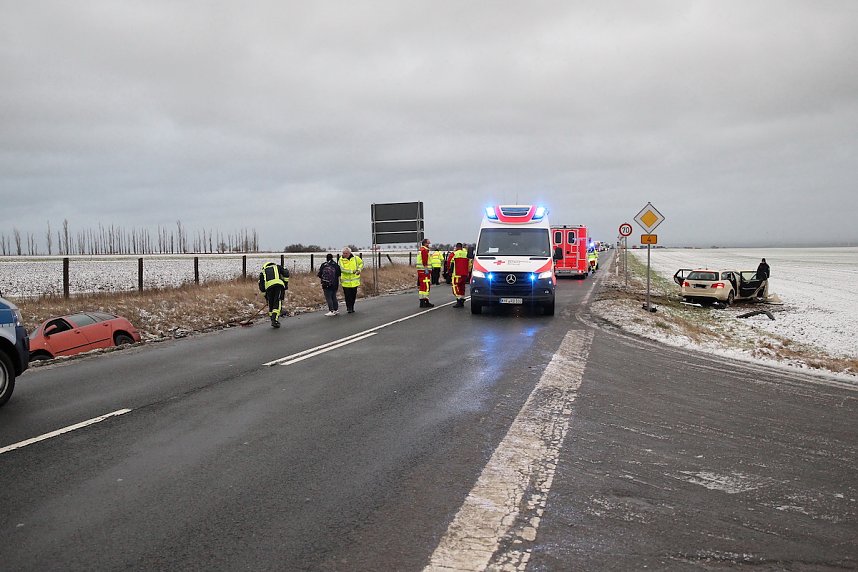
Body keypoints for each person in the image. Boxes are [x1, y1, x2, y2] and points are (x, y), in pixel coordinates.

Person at [258, 261, 290, 328]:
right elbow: (286, 273)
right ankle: (274, 320)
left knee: (271, 303)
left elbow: (261, 285)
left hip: (269, 288)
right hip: (278, 286)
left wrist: (266, 296)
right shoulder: (277, 267)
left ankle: (272, 317)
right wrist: (285, 283)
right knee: (277, 301)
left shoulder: (263, 272)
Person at [339, 247, 363, 313]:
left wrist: (359, 270)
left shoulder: (355, 258)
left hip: (354, 282)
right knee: (347, 296)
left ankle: (352, 306)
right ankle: (349, 308)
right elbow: (342, 269)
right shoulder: (341, 260)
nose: (344, 254)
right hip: (345, 282)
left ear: (349, 253)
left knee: (353, 295)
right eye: (343, 253)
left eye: (346, 253)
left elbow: (361, 263)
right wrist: (352, 271)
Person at [450, 242, 472, 308]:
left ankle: (459, 299)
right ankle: (462, 298)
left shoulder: (454, 253)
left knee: (455, 286)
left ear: (457, 247)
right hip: (464, 273)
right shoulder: (466, 254)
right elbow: (470, 263)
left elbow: (450, 263)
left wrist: (449, 271)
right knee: (462, 286)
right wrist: (468, 271)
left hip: (456, 273)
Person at [416, 238, 434, 307]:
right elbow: (425, 260)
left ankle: (422, 301)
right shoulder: (424, 250)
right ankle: (426, 301)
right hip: (424, 271)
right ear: (425, 244)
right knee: (426, 286)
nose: (429, 245)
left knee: (422, 286)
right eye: (428, 243)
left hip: (420, 270)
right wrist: (426, 268)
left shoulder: (420, 250)